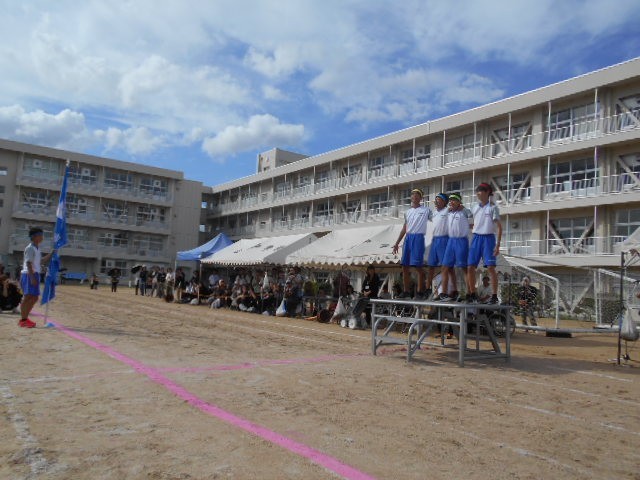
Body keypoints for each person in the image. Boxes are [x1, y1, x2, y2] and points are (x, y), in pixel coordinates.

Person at [467, 183, 502, 304]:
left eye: (480, 191)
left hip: (488, 238)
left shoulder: (493, 207)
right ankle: (472, 294)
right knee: (470, 266)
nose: (478, 193)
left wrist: (498, 245)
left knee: (491, 268)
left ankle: (494, 296)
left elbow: (499, 227)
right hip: (476, 238)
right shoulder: (474, 207)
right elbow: (472, 223)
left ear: (487, 192)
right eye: (477, 191)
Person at [392, 188, 430, 299]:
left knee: (417, 266)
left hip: (418, 237)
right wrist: (397, 243)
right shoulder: (407, 212)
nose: (415, 196)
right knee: (404, 266)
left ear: (421, 198)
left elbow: (437, 217)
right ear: (411, 197)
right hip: (408, 238)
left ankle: (420, 291)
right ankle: (406, 292)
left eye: (417, 195)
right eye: (413, 194)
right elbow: (404, 228)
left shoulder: (426, 210)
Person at [19, 227, 56, 328]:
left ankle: (25, 318)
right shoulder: (30, 248)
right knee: (28, 297)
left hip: (34, 274)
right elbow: (28, 263)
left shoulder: (37, 248)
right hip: (28, 274)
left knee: (34, 297)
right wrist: (32, 277)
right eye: (40, 235)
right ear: (34, 236)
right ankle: (23, 320)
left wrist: (51, 253)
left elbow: (41, 261)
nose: (42, 237)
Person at [438, 193, 472, 301]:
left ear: (459, 202)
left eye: (454, 200)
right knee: (445, 267)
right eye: (450, 200)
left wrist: (463, 209)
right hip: (450, 241)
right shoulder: (449, 212)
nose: (451, 202)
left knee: (464, 268)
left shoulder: (465, 211)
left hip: (461, 241)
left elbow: (472, 223)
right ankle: (444, 293)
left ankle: (470, 293)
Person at [425, 193, 449, 299]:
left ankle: (444, 292)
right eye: (435, 200)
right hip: (434, 240)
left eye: (438, 200)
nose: (436, 202)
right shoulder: (434, 214)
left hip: (444, 239)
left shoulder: (448, 211)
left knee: (444, 267)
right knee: (431, 266)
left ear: (444, 202)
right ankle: (427, 289)